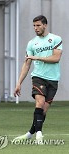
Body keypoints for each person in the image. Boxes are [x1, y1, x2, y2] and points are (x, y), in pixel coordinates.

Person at [13, 15, 63, 144]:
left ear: (45, 25)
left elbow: (56, 58)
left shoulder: (56, 39)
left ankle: (30, 133)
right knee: (39, 103)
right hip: (38, 77)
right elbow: (27, 64)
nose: (36, 28)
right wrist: (19, 82)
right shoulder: (31, 43)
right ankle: (39, 135)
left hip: (53, 79)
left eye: (38, 25)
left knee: (43, 110)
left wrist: (37, 57)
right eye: (34, 26)